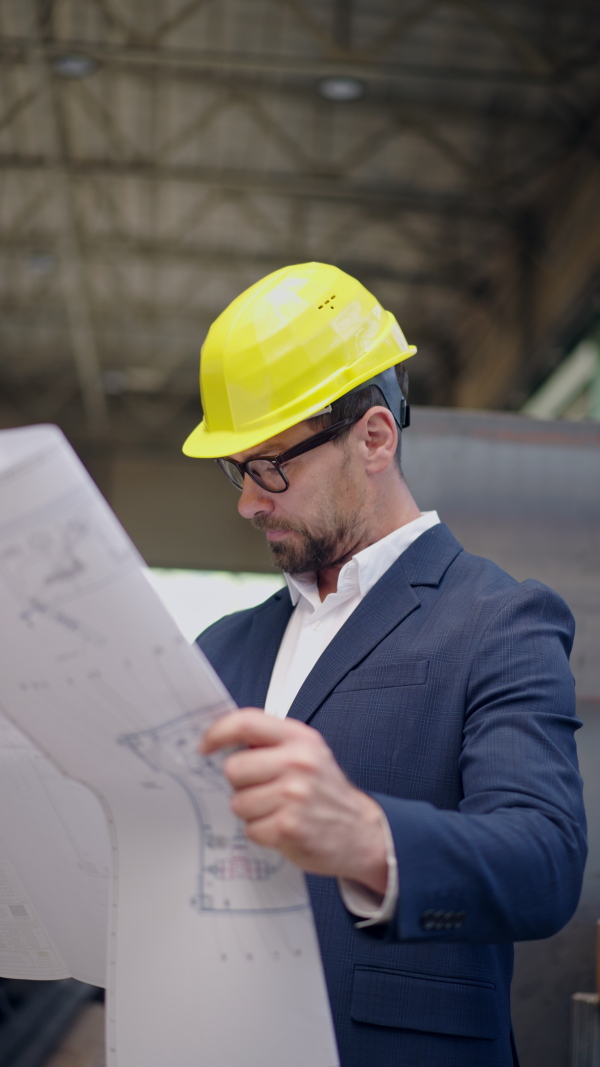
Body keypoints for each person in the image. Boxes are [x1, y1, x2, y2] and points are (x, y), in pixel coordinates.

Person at [184, 262, 587, 1067]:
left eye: (271, 467)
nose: (247, 501)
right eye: (239, 469)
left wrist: (370, 837)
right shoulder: (219, 649)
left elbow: (545, 862)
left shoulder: (497, 619)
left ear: (373, 436)